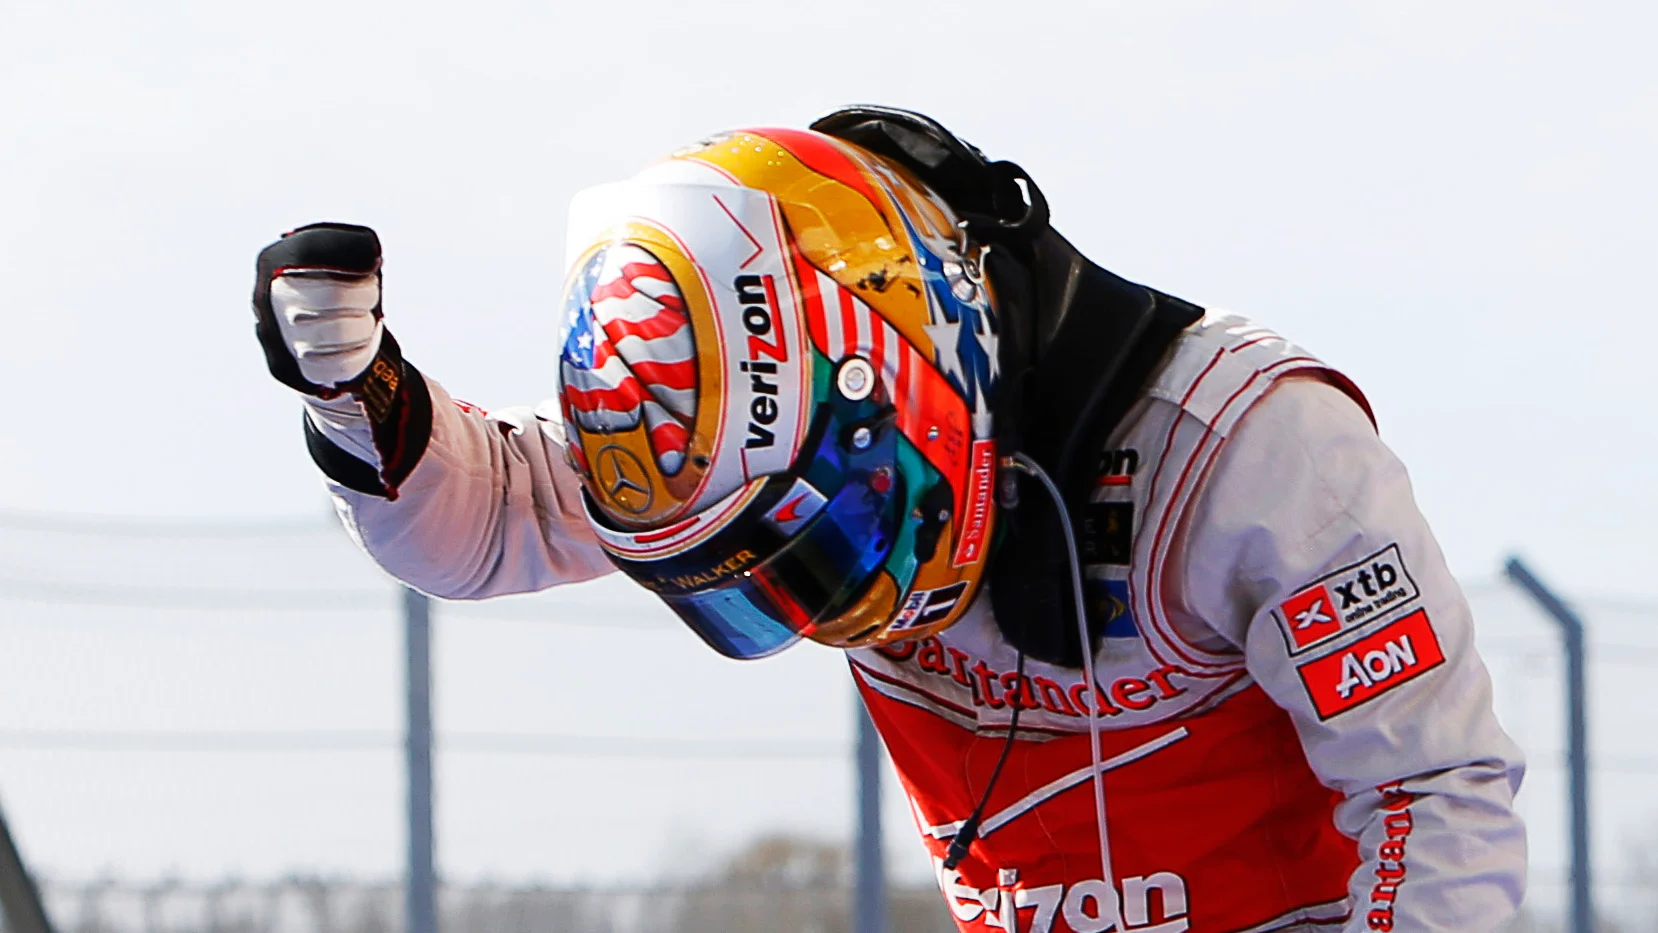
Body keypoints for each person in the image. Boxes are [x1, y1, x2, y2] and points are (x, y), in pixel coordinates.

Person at [250, 107, 1525, 932]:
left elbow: (1436, 788)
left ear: (918, 366)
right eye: (760, 587)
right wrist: (360, 404)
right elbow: (480, 527)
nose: (828, 611)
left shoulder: (1255, 449)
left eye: (830, 547)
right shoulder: (711, 425)